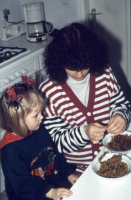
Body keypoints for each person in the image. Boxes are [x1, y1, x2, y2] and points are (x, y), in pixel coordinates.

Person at [39, 23, 131, 174]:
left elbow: (121, 104)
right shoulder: (48, 90)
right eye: (72, 69)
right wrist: (84, 132)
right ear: (59, 63)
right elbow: (55, 142)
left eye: (84, 66)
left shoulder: (105, 73)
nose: (80, 75)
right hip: (75, 170)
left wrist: (121, 115)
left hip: (114, 157)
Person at [0, 75, 79, 200]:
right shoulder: (9, 150)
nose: (42, 117)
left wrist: (67, 173)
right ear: (19, 119)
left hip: (52, 186)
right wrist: (49, 192)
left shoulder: (38, 130)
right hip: (33, 195)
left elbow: (55, 154)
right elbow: (23, 184)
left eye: (41, 112)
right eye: (36, 115)